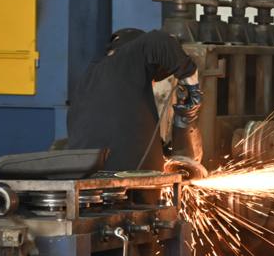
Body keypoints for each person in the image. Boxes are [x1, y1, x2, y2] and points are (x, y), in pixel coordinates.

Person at [63, 28, 203, 173]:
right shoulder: (127, 59)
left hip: (87, 177)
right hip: (128, 177)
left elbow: (122, 131)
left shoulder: (87, 82)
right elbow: (160, 40)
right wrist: (192, 86)